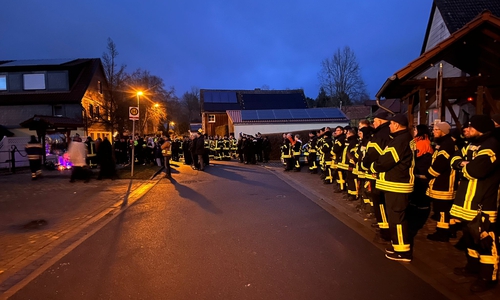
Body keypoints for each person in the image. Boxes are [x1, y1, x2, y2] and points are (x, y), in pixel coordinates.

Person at [450, 115, 500, 292]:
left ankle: (488, 276)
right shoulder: (471, 144)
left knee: (486, 241)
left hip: (482, 203)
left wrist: (463, 166)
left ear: (481, 128)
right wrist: (464, 164)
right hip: (466, 202)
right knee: (470, 238)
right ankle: (472, 267)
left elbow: (476, 170)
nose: (467, 130)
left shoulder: (492, 145)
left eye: (471, 127)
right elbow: (454, 158)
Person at [370, 114, 414, 262]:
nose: (389, 126)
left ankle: (402, 251)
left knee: (397, 219)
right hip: (396, 185)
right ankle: (398, 246)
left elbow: (385, 161)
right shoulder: (403, 139)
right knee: (396, 217)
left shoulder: (400, 141)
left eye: (391, 124)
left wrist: (373, 166)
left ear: (396, 125)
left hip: (397, 186)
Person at [362, 111, 392, 243]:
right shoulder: (393, 134)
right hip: (392, 176)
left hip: (379, 174)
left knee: (380, 202)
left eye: (374, 121)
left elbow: (372, 154)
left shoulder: (380, 135)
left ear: (380, 121)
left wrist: (365, 164)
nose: (373, 123)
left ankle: (384, 231)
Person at [425, 122, 457, 242]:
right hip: (443, 181)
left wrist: (429, 174)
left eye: (436, 129)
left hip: (443, 183)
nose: (433, 131)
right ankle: (451, 230)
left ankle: (442, 233)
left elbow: (440, 164)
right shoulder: (445, 143)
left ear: (442, 131)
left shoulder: (446, 145)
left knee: (442, 209)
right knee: (446, 209)